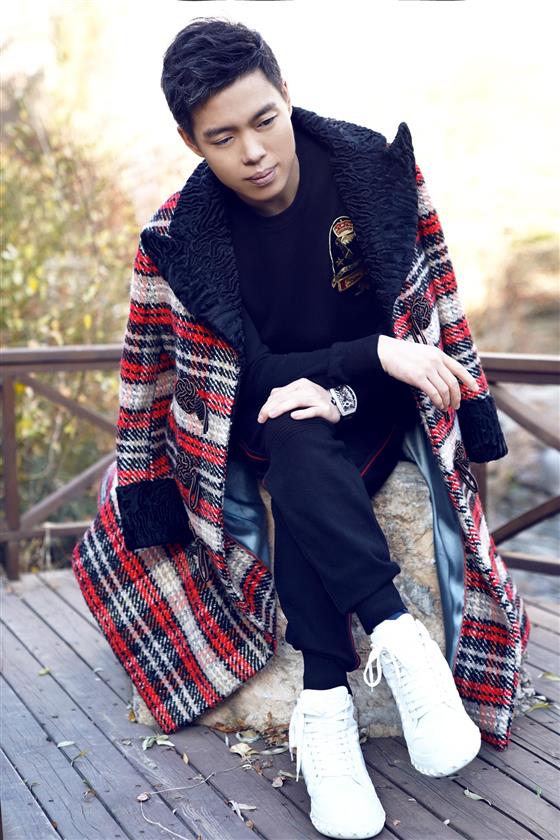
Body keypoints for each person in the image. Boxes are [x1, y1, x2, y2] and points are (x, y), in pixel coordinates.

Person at [72, 16, 528, 840]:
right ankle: (395, 639)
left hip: (375, 408)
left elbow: (439, 296)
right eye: (222, 138)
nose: (253, 152)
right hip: (264, 417)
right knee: (291, 432)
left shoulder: (374, 172)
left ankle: (325, 707)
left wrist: (388, 379)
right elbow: (204, 376)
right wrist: (367, 351)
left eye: (264, 120)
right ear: (190, 142)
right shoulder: (179, 237)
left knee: (305, 446)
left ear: (286, 95)